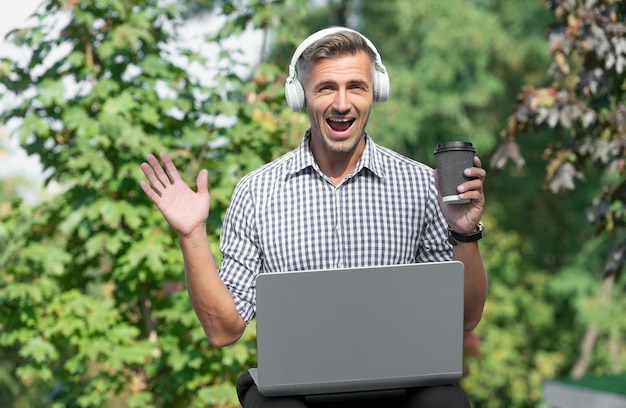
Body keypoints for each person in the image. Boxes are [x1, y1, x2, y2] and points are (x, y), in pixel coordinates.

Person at [140, 26, 488, 408]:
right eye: (325, 88)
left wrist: (464, 233)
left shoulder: (422, 185)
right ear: (300, 96)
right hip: (296, 395)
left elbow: (466, 318)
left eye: (356, 86)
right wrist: (191, 235)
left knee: (445, 402)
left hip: (399, 389)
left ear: (376, 93)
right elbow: (224, 330)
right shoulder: (256, 193)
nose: (342, 104)